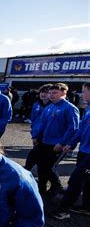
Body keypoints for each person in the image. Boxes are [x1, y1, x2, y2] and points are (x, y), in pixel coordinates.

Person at [50, 82, 90, 219]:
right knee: (87, 181)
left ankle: (63, 210)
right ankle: (87, 207)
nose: (82, 94)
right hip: (84, 151)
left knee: (76, 180)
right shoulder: (88, 110)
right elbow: (80, 130)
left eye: (84, 91)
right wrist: (71, 144)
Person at [33, 83, 80, 197]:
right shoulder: (49, 107)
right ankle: (41, 189)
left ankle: (56, 186)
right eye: (50, 93)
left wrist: (62, 143)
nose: (51, 95)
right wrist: (36, 137)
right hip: (44, 142)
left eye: (55, 93)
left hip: (57, 144)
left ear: (64, 93)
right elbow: (42, 125)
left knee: (49, 168)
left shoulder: (70, 108)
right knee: (41, 166)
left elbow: (73, 128)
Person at [24, 84, 52, 171]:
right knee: (34, 158)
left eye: (46, 92)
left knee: (38, 160)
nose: (43, 94)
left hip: (48, 138)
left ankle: (55, 184)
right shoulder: (36, 104)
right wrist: (34, 134)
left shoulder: (53, 106)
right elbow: (33, 120)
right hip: (36, 136)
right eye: (42, 92)